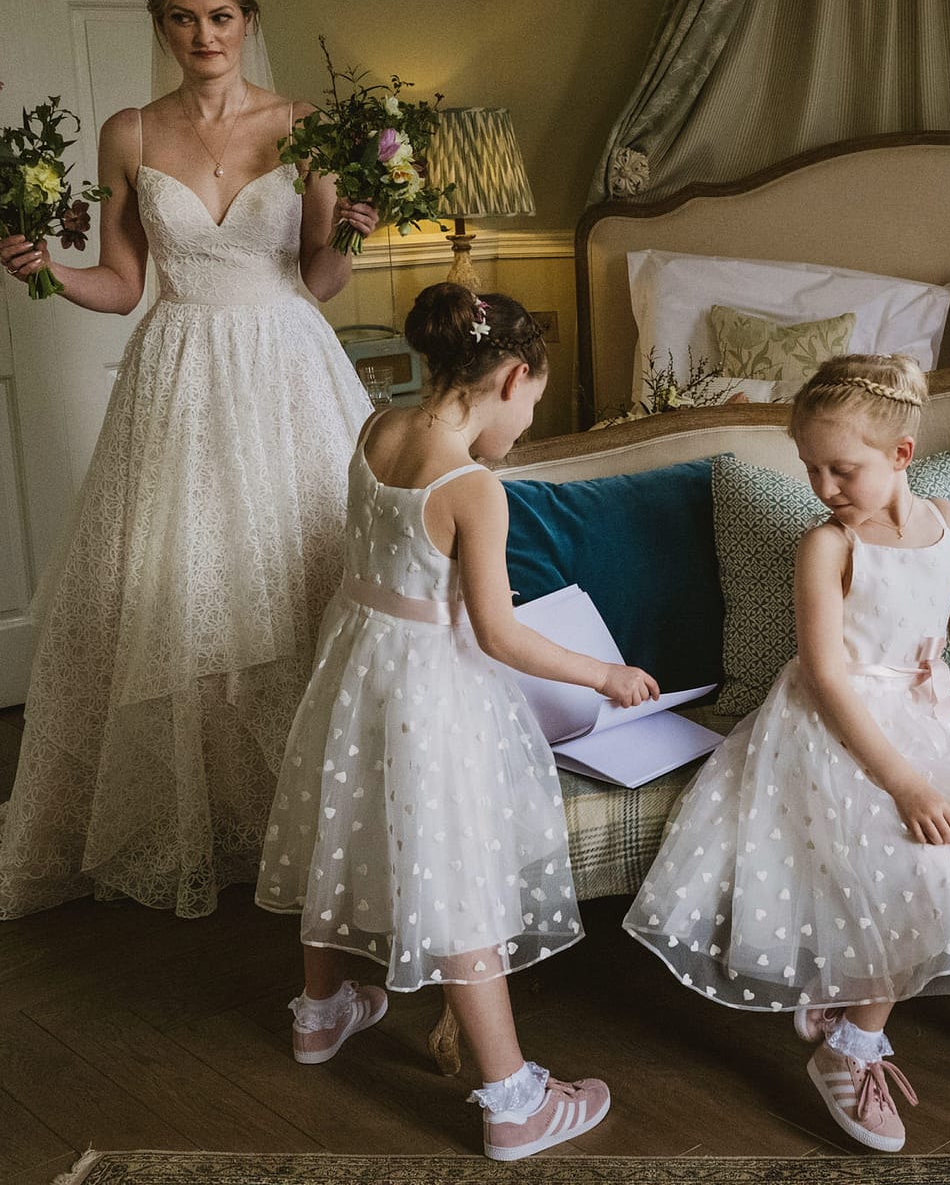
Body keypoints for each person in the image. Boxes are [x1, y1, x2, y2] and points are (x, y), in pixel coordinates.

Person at [0, 0, 378, 919]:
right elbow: (126, 283)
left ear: (248, 22)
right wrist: (45, 273)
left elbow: (316, 276)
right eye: (183, 18)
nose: (204, 36)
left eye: (220, 17)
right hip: (180, 369)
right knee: (170, 587)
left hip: (287, 367)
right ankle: (206, 816)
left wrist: (352, 234)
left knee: (300, 573)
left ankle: (302, 813)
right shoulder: (131, 133)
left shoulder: (305, 125)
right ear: (163, 26)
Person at [624, 354, 950, 1154]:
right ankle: (850, 1049)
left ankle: (843, 1002)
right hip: (838, 726)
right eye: (811, 468)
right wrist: (906, 778)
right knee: (907, 857)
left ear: (902, 455)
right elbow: (826, 676)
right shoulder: (827, 546)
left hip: (929, 719)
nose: (824, 486)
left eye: (843, 469)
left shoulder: (949, 518)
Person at [257, 284, 654, 1160]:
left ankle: (320, 1014)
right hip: (432, 692)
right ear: (512, 376)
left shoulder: (377, 429)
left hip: (356, 668)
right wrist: (605, 672)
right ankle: (512, 1100)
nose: (525, 427)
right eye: (533, 406)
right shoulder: (473, 486)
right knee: (459, 871)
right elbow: (500, 633)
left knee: (344, 828)